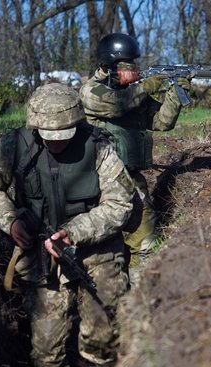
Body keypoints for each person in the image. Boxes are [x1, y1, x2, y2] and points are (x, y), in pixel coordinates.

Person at [0, 83, 134, 367]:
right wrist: (12, 221)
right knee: (46, 349)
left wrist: (76, 231)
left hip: (95, 249)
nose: (56, 144)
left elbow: (121, 202)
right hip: (41, 256)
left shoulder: (99, 146)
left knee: (103, 329)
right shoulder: (12, 146)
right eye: (48, 136)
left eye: (65, 134)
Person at [79, 32, 191, 270]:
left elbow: (162, 122)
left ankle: (141, 297)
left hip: (131, 181)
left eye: (136, 65)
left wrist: (175, 93)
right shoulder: (93, 90)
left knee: (147, 246)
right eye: (130, 66)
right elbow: (116, 105)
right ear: (110, 65)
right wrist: (150, 84)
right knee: (100, 254)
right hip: (95, 183)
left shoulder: (134, 92)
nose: (136, 70)